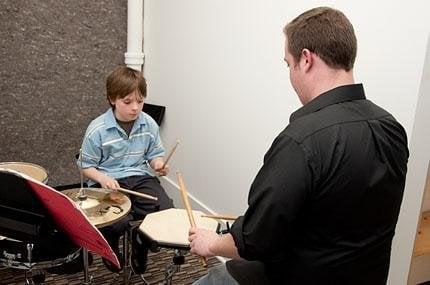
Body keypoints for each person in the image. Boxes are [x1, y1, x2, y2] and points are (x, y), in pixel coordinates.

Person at [189, 6, 409, 285]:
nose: (290, 73)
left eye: (288, 64)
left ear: (305, 59)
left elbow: (253, 242)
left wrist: (211, 243)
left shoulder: (301, 140)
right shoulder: (391, 127)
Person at [78, 66, 174, 273]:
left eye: (140, 101)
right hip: (107, 180)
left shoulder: (148, 124)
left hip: (139, 176)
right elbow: (86, 166)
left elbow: (154, 154)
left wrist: (158, 164)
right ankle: (110, 246)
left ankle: (140, 242)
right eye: (127, 102)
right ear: (112, 99)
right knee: (115, 222)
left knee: (164, 210)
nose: (135, 108)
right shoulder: (97, 129)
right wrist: (102, 178)